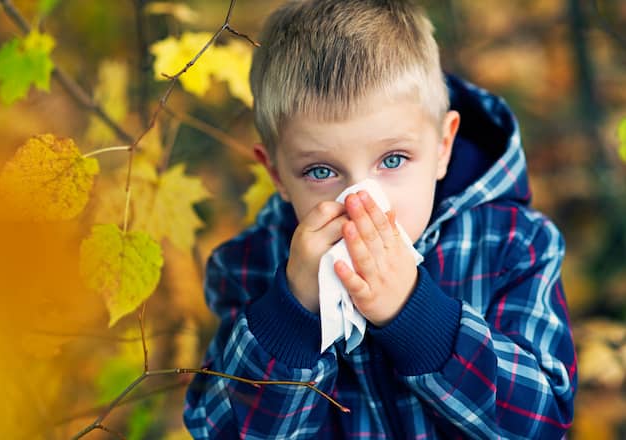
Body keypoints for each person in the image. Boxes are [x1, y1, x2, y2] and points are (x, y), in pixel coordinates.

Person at [183, 0, 577, 438]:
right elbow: (219, 429)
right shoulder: (249, 266)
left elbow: (540, 422)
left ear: (443, 146)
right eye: (321, 171)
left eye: (393, 159)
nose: (360, 202)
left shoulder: (512, 246)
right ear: (276, 173)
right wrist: (291, 315)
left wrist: (417, 317)